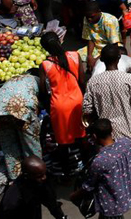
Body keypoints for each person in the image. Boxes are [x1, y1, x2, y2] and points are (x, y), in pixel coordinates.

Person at [39, 31, 85, 174]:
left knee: (63, 142)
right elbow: (82, 81)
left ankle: (66, 173)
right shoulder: (75, 56)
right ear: (60, 41)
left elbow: (42, 89)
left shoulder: (45, 65)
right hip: (77, 101)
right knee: (81, 137)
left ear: (45, 48)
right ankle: (87, 169)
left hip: (59, 106)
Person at [76, 118, 131, 219]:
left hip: (110, 206)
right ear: (112, 130)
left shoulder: (100, 161)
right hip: (126, 196)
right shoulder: (126, 143)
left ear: (94, 136)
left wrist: (74, 195)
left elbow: (89, 185)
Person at [0, 156, 65, 219]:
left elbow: (51, 202)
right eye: (40, 176)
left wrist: (61, 217)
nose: (44, 177)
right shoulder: (12, 200)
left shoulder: (41, 179)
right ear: (26, 175)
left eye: (44, 173)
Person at [81, 1, 122, 71]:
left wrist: (95, 60)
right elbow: (90, 39)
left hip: (110, 49)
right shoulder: (87, 19)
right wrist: (90, 56)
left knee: (97, 66)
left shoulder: (109, 21)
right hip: (96, 47)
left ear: (99, 12)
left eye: (92, 17)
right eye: (87, 17)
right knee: (76, 56)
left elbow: (113, 45)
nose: (89, 19)